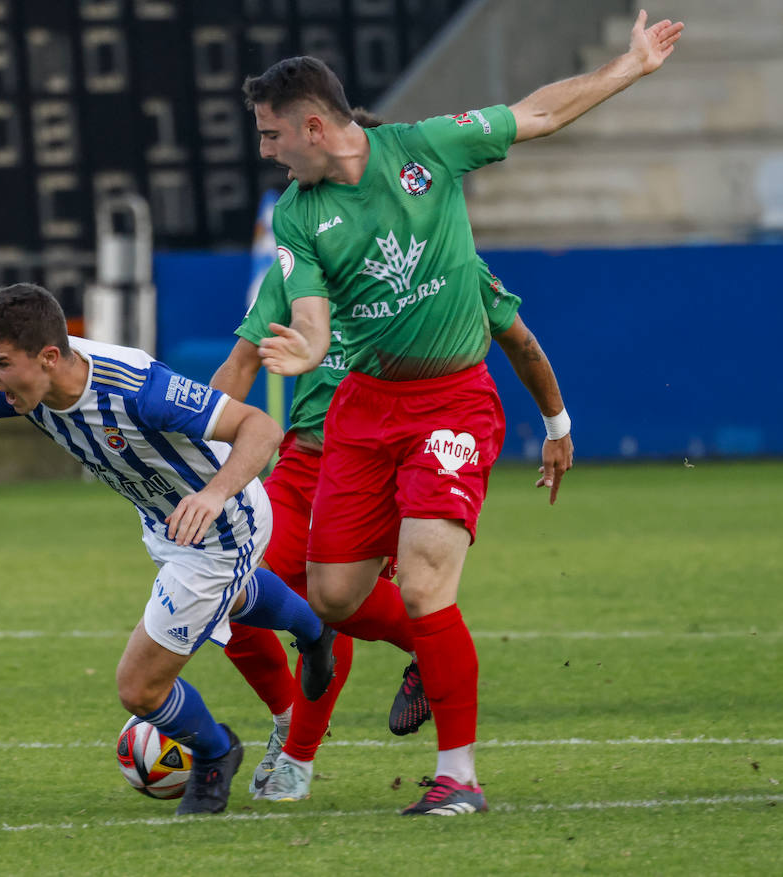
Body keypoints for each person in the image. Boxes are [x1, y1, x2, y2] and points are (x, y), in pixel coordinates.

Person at [242, 10, 682, 814]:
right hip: (365, 410)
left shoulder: (425, 147)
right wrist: (309, 346)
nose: (265, 150)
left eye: (272, 135)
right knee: (332, 596)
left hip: (451, 402)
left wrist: (630, 69)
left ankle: (459, 776)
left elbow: (538, 111)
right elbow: (309, 310)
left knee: (424, 583)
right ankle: (420, 657)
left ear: (312, 125)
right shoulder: (298, 215)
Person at [220, 111, 573, 804]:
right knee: (254, 597)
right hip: (318, 454)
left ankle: (312, 757)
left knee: (413, 583)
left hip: (416, 435)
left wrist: (557, 423)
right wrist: (196, 453)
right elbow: (243, 359)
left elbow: (520, 340)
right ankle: (398, 656)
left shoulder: (447, 265)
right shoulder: (304, 251)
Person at [0, 282, 337, 815]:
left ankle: (217, 753)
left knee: (140, 689)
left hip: (222, 527)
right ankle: (313, 627)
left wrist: (214, 496)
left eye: (1, 363)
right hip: (165, 521)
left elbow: (260, 428)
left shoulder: (138, 389)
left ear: (49, 356)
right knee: (232, 599)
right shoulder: (14, 385)